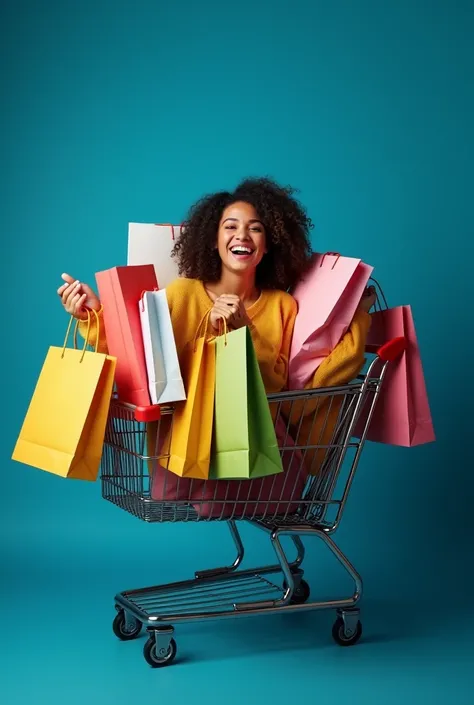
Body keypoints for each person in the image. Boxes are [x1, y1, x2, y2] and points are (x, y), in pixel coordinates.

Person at [57, 177, 375, 398]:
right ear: (213, 240)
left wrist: (243, 331)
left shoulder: (282, 306)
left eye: (256, 229)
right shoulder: (181, 295)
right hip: (185, 440)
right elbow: (138, 362)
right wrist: (92, 314)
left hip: (252, 443)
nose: (243, 236)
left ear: (269, 245)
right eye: (230, 227)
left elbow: (275, 387)